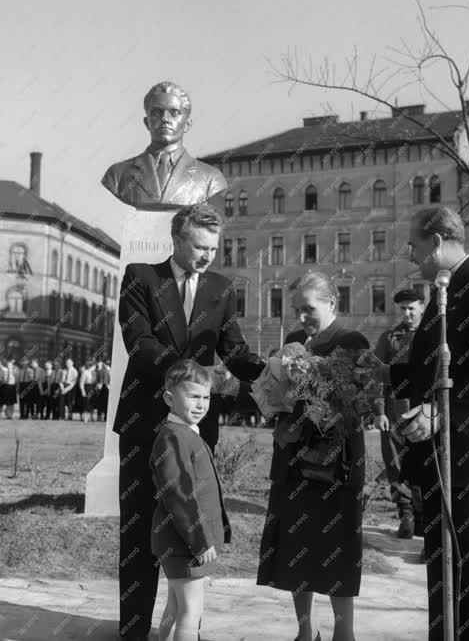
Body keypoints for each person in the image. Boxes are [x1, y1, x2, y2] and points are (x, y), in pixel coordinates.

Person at [360, 206, 469, 640]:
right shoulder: (445, 290)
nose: (409, 252)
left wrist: (440, 413)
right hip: (448, 462)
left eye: (414, 244)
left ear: (437, 241)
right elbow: (432, 370)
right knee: (450, 574)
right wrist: (384, 372)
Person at [116, 202, 264, 641]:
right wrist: (188, 373)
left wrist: (271, 373)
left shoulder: (221, 287)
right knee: (140, 532)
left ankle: (183, 629)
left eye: (213, 249)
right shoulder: (141, 278)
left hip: (196, 432)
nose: (207, 257)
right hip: (145, 424)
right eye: (200, 247)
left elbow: (233, 351)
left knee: (189, 531)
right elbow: (138, 343)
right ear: (177, 239)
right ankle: (133, 630)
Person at [257, 272, 370, 641]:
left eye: (309, 308)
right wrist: (272, 395)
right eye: (296, 309)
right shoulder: (291, 341)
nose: (301, 317)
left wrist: (315, 390)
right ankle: (305, 632)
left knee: (337, 547)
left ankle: (344, 634)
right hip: (293, 457)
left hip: (336, 460)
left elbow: (357, 406)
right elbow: (277, 394)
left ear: (332, 303)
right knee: (296, 544)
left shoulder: (352, 341)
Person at [150, 359, 231, 641]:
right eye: (193, 396)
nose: (201, 404)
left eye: (206, 397)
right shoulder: (173, 437)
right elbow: (179, 493)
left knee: (175, 606)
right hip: (184, 541)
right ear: (170, 398)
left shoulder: (185, 433)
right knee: (191, 612)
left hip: (184, 540)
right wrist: (199, 538)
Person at [101, 81, 227, 210]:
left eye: (175, 113)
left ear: (187, 124)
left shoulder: (211, 179)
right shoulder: (117, 175)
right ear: (146, 122)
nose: (165, 119)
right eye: (157, 112)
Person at [373, 288, 425, 541]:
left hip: (425, 411)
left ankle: (424, 517)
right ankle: (406, 516)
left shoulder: (432, 336)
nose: (407, 313)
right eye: (403, 309)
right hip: (394, 410)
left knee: (425, 463)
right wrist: (379, 412)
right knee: (396, 465)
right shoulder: (389, 338)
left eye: (412, 308)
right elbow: (376, 376)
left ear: (422, 307)